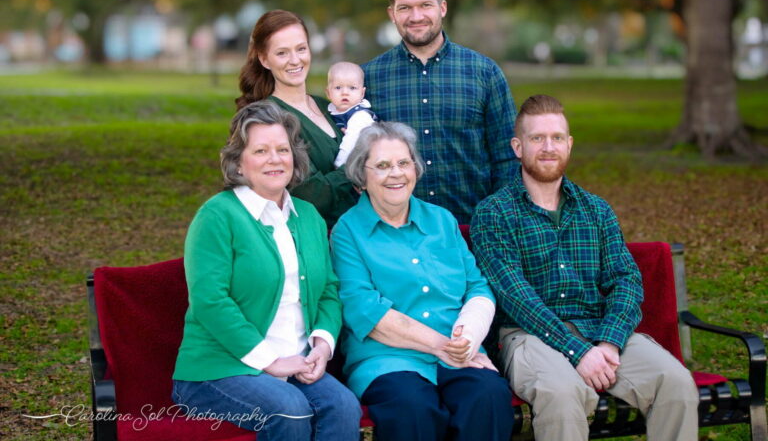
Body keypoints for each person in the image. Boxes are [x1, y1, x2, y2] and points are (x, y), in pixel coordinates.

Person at [470, 94, 699, 441]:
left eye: (557, 138)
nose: (549, 147)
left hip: (598, 329)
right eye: (537, 138)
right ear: (518, 147)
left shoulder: (596, 209)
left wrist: (609, 343)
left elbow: (625, 279)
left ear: (569, 144)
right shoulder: (494, 213)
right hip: (528, 335)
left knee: (677, 384)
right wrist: (579, 352)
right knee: (561, 395)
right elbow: (516, 297)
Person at [172, 101, 361, 440]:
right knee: (290, 408)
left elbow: (328, 291)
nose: (275, 159)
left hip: (297, 363)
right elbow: (210, 300)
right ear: (238, 163)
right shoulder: (217, 216)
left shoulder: (309, 217)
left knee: (344, 406)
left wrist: (322, 346)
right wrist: (271, 362)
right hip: (218, 369)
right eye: (261, 151)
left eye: (282, 150)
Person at [330, 122, 515, 441]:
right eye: (383, 166)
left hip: (458, 353)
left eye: (404, 163)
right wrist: (442, 347)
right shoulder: (347, 231)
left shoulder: (441, 220)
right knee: (413, 408)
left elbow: (477, 286)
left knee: (488, 395)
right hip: (387, 359)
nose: (396, 174)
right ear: (362, 175)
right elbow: (363, 310)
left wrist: (467, 339)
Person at [363, 0, 517, 224]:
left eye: (425, 5)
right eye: (405, 8)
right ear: (392, 13)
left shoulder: (485, 73)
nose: (416, 16)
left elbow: (508, 157)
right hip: (396, 232)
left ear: (442, 8)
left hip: (472, 228)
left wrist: (496, 224)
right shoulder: (368, 79)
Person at [236, 10, 358, 226]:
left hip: (359, 233)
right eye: (282, 53)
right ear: (264, 59)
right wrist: (360, 163)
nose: (295, 60)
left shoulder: (330, 106)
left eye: (301, 49)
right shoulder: (267, 118)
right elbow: (311, 195)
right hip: (315, 236)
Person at [325, 61, 379, 167]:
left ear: (362, 93)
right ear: (328, 93)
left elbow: (349, 145)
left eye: (352, 88)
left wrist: (338, 166)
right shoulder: (329, 112)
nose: (345, 92)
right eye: (338, 87)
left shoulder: (360, 116)